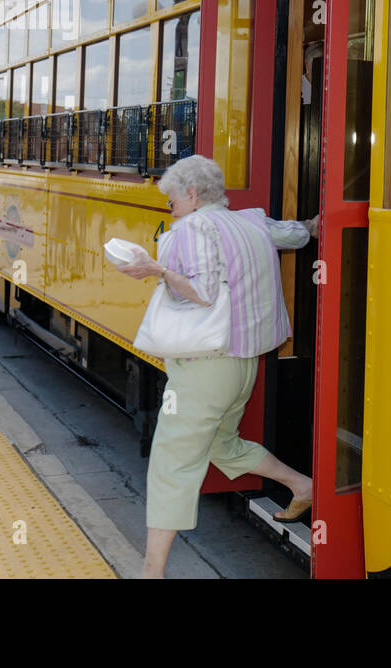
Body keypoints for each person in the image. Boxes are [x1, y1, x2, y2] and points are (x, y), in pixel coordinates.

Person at [117, 154, 318, 578]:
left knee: (171, 465)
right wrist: (320, 222)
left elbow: (204, 292)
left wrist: (156, 269)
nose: (170, 207)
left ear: (191, 194)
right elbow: (300, 235)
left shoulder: (191, 229)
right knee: (221, 445)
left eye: (172, 198)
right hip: (243, 367)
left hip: (204, 369)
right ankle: (302, 485)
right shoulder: (251, 223)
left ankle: (150, 574)